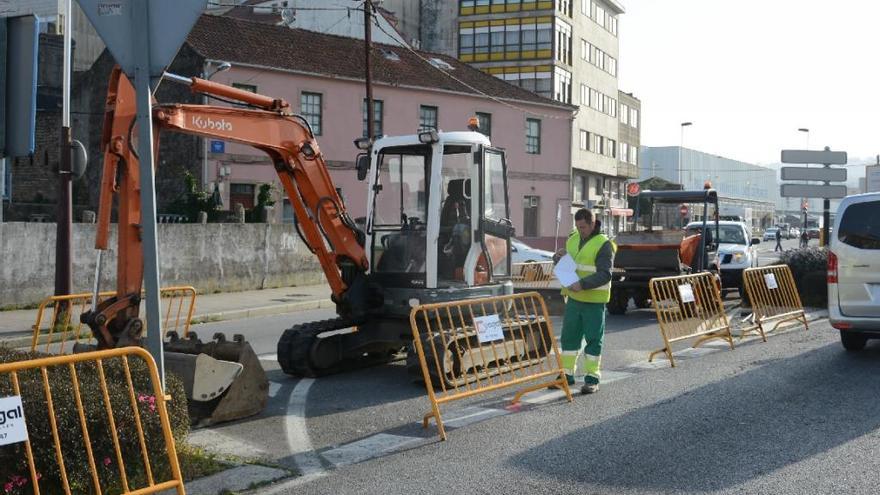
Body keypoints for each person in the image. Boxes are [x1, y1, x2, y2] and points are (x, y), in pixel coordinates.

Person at [552, 208, 616, 395]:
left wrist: (583, 284)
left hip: (594, 301)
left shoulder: (604, 244)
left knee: (593, 340)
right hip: (573, 298)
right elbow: (568, 262)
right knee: (569, 338)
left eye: (583, 227)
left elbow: (606, 274)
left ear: (592, 223)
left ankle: (592, 378)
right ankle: (566, 375)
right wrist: (557, 258)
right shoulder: (573, 238)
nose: (580, 231)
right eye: (578, 227)